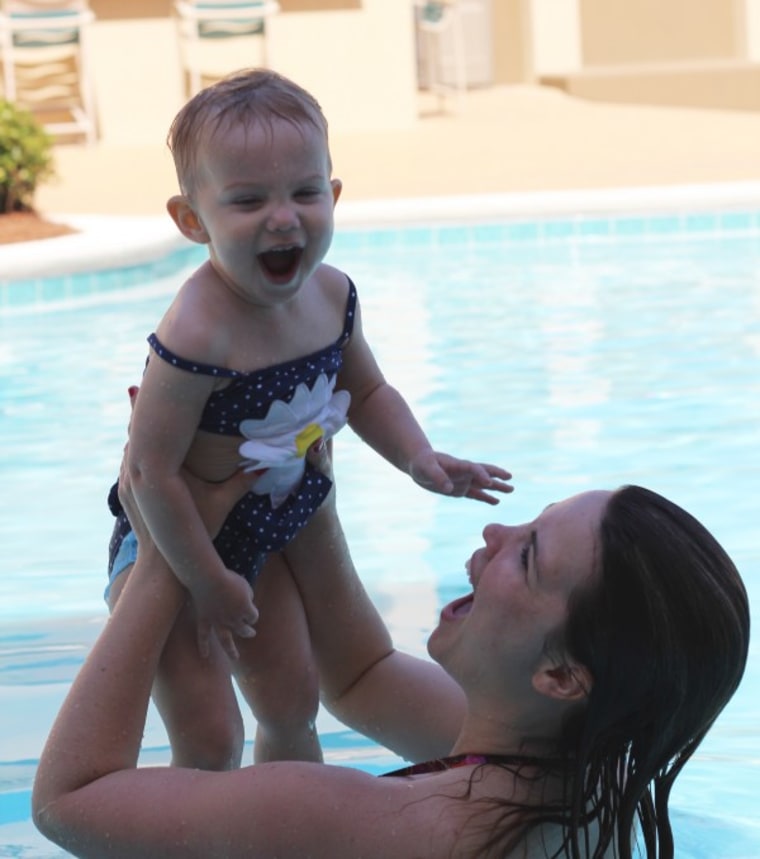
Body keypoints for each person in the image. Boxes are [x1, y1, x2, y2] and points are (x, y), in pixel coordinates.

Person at [34, 444, 749, 859]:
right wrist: (306, 485)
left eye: (528, 555)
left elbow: (68, 803)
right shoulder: (590, 792)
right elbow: (362, 677)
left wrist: (162, 549)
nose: (497, 532)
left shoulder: (359, 820)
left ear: (562, 674)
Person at [105, 67, 512, 769]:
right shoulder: (198, 331)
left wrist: (419, 457)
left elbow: (370, 390)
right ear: (191, 219)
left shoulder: (332, 297)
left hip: (270, 528)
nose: (284, 216)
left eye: (304, 191)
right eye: (247, 199)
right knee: (208, 735)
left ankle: (290, 832)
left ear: (335, 194)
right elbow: (148, 470)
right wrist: (206, 579)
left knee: (291, 701)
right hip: (177, 544)